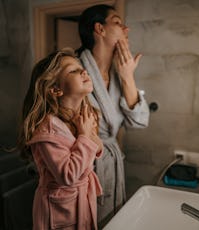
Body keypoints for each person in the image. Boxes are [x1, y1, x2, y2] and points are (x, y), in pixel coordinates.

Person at [76, 4, 150, 226]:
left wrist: (128, 76)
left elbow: (139, 122)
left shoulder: (120, 73)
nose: (126, 29)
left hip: (111, 165)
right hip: (81, 168)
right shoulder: (72, 69)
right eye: (118, 22)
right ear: (100, 29)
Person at [18, 48, 103, 230]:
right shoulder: (48, 129)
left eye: (81, 68)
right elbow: (68, 175)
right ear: (55, 89)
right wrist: (85, 136)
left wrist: (87, 133)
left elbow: (97, 149)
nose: (84, 71)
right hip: (59, 212)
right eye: (73, 71)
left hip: (83, 203)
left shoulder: (84, 116)